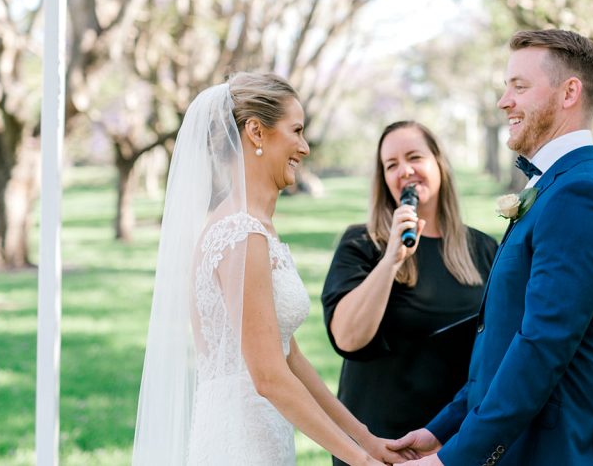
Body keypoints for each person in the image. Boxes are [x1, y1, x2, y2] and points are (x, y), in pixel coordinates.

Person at [390, 29, 593, 466]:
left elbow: (541, 347)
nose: (505, 101)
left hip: (558, 452)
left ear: (569, 93)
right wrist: (440, 430)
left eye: (519, 87)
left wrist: (455, 459)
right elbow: (504, 342)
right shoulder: (554, 186)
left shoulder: (582, 195)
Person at [132, 73, 397, 466]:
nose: (304, 147)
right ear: (256, 132)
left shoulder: (255, 228)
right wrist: (359, 462)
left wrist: (367, 441)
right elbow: (268, 377)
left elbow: (288, 357)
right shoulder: (240, 234)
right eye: (296, 131)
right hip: (238, 444)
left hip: (264, 437)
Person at [321, 121, 497, 465]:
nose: (404, 171)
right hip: (378, 445)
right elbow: (347, 338)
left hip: (452, 444)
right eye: (391, 165)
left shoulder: (483, 248)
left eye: (414, 157)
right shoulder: (361, 244)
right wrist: (391, 260)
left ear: (438, 163)